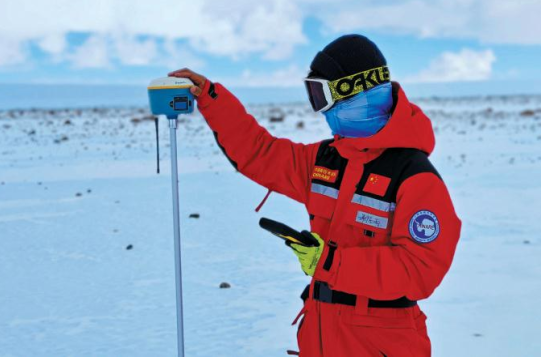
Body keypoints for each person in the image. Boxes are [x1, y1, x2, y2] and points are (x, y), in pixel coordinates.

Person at [169, 34, 462, 357]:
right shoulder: (323, 161)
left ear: (355, 90)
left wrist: (332, 261)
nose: (320, 110)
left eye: (321, 94)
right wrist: (212, 97)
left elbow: (419, 271)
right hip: (320, 336)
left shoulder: (416, 178)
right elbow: (259, 152)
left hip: (383, 343)